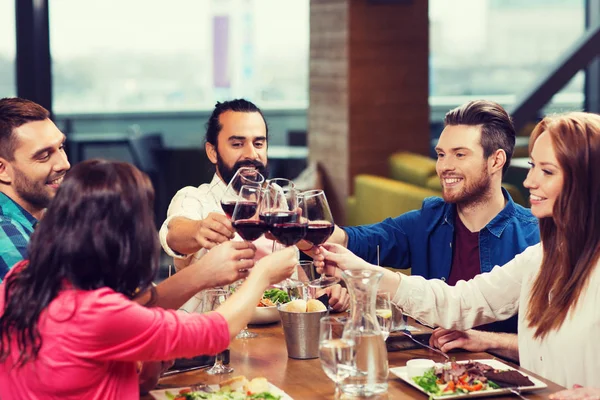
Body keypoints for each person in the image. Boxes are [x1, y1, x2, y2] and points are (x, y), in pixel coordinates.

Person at [318, 112, 600, 397]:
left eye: (547, 171)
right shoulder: (542, 257)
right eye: (532, 166)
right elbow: (460, 302)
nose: (529, 181)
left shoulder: (538, 241)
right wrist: (360, 270)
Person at [0, 159, 298, 399]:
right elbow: (214, 331)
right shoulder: (98, 311)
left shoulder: (21, 279)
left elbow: (130, 321)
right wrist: (262, 274)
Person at [160, 99, 349, 312]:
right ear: (213, 152)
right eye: (237, 144)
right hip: (214, 335)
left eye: (258, 143)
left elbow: (293, 276)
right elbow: (174, 233)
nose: (251, 154)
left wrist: (319, 294)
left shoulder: (276, 197)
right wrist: (198, 230)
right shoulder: (193, 198)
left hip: (277, 333)